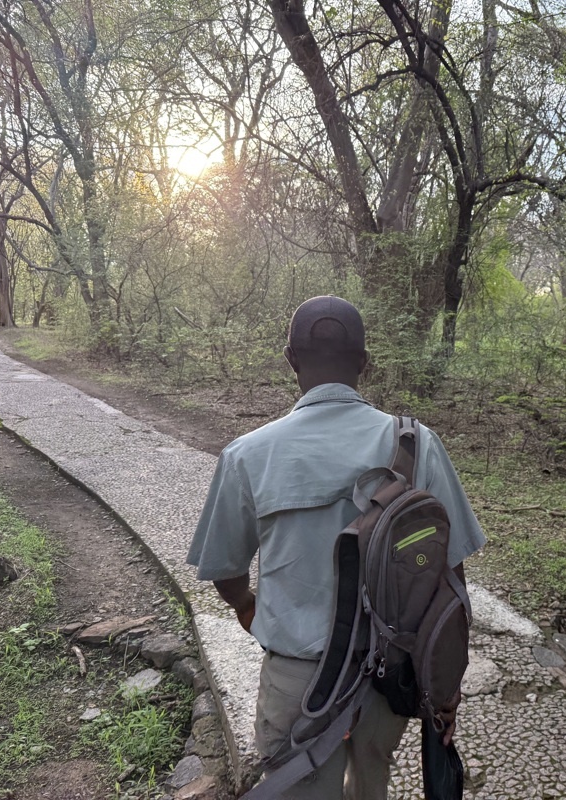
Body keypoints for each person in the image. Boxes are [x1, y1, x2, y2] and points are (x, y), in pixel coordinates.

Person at [187, 296, 485, 799]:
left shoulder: (247, 455)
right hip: (391, 677)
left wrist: (247, 607)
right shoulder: (416, 443)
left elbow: (224, 569)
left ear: (290, 358)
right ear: (365, 364)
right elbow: (451, 575)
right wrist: (446, 681)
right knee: (372, 785)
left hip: (296, 682)